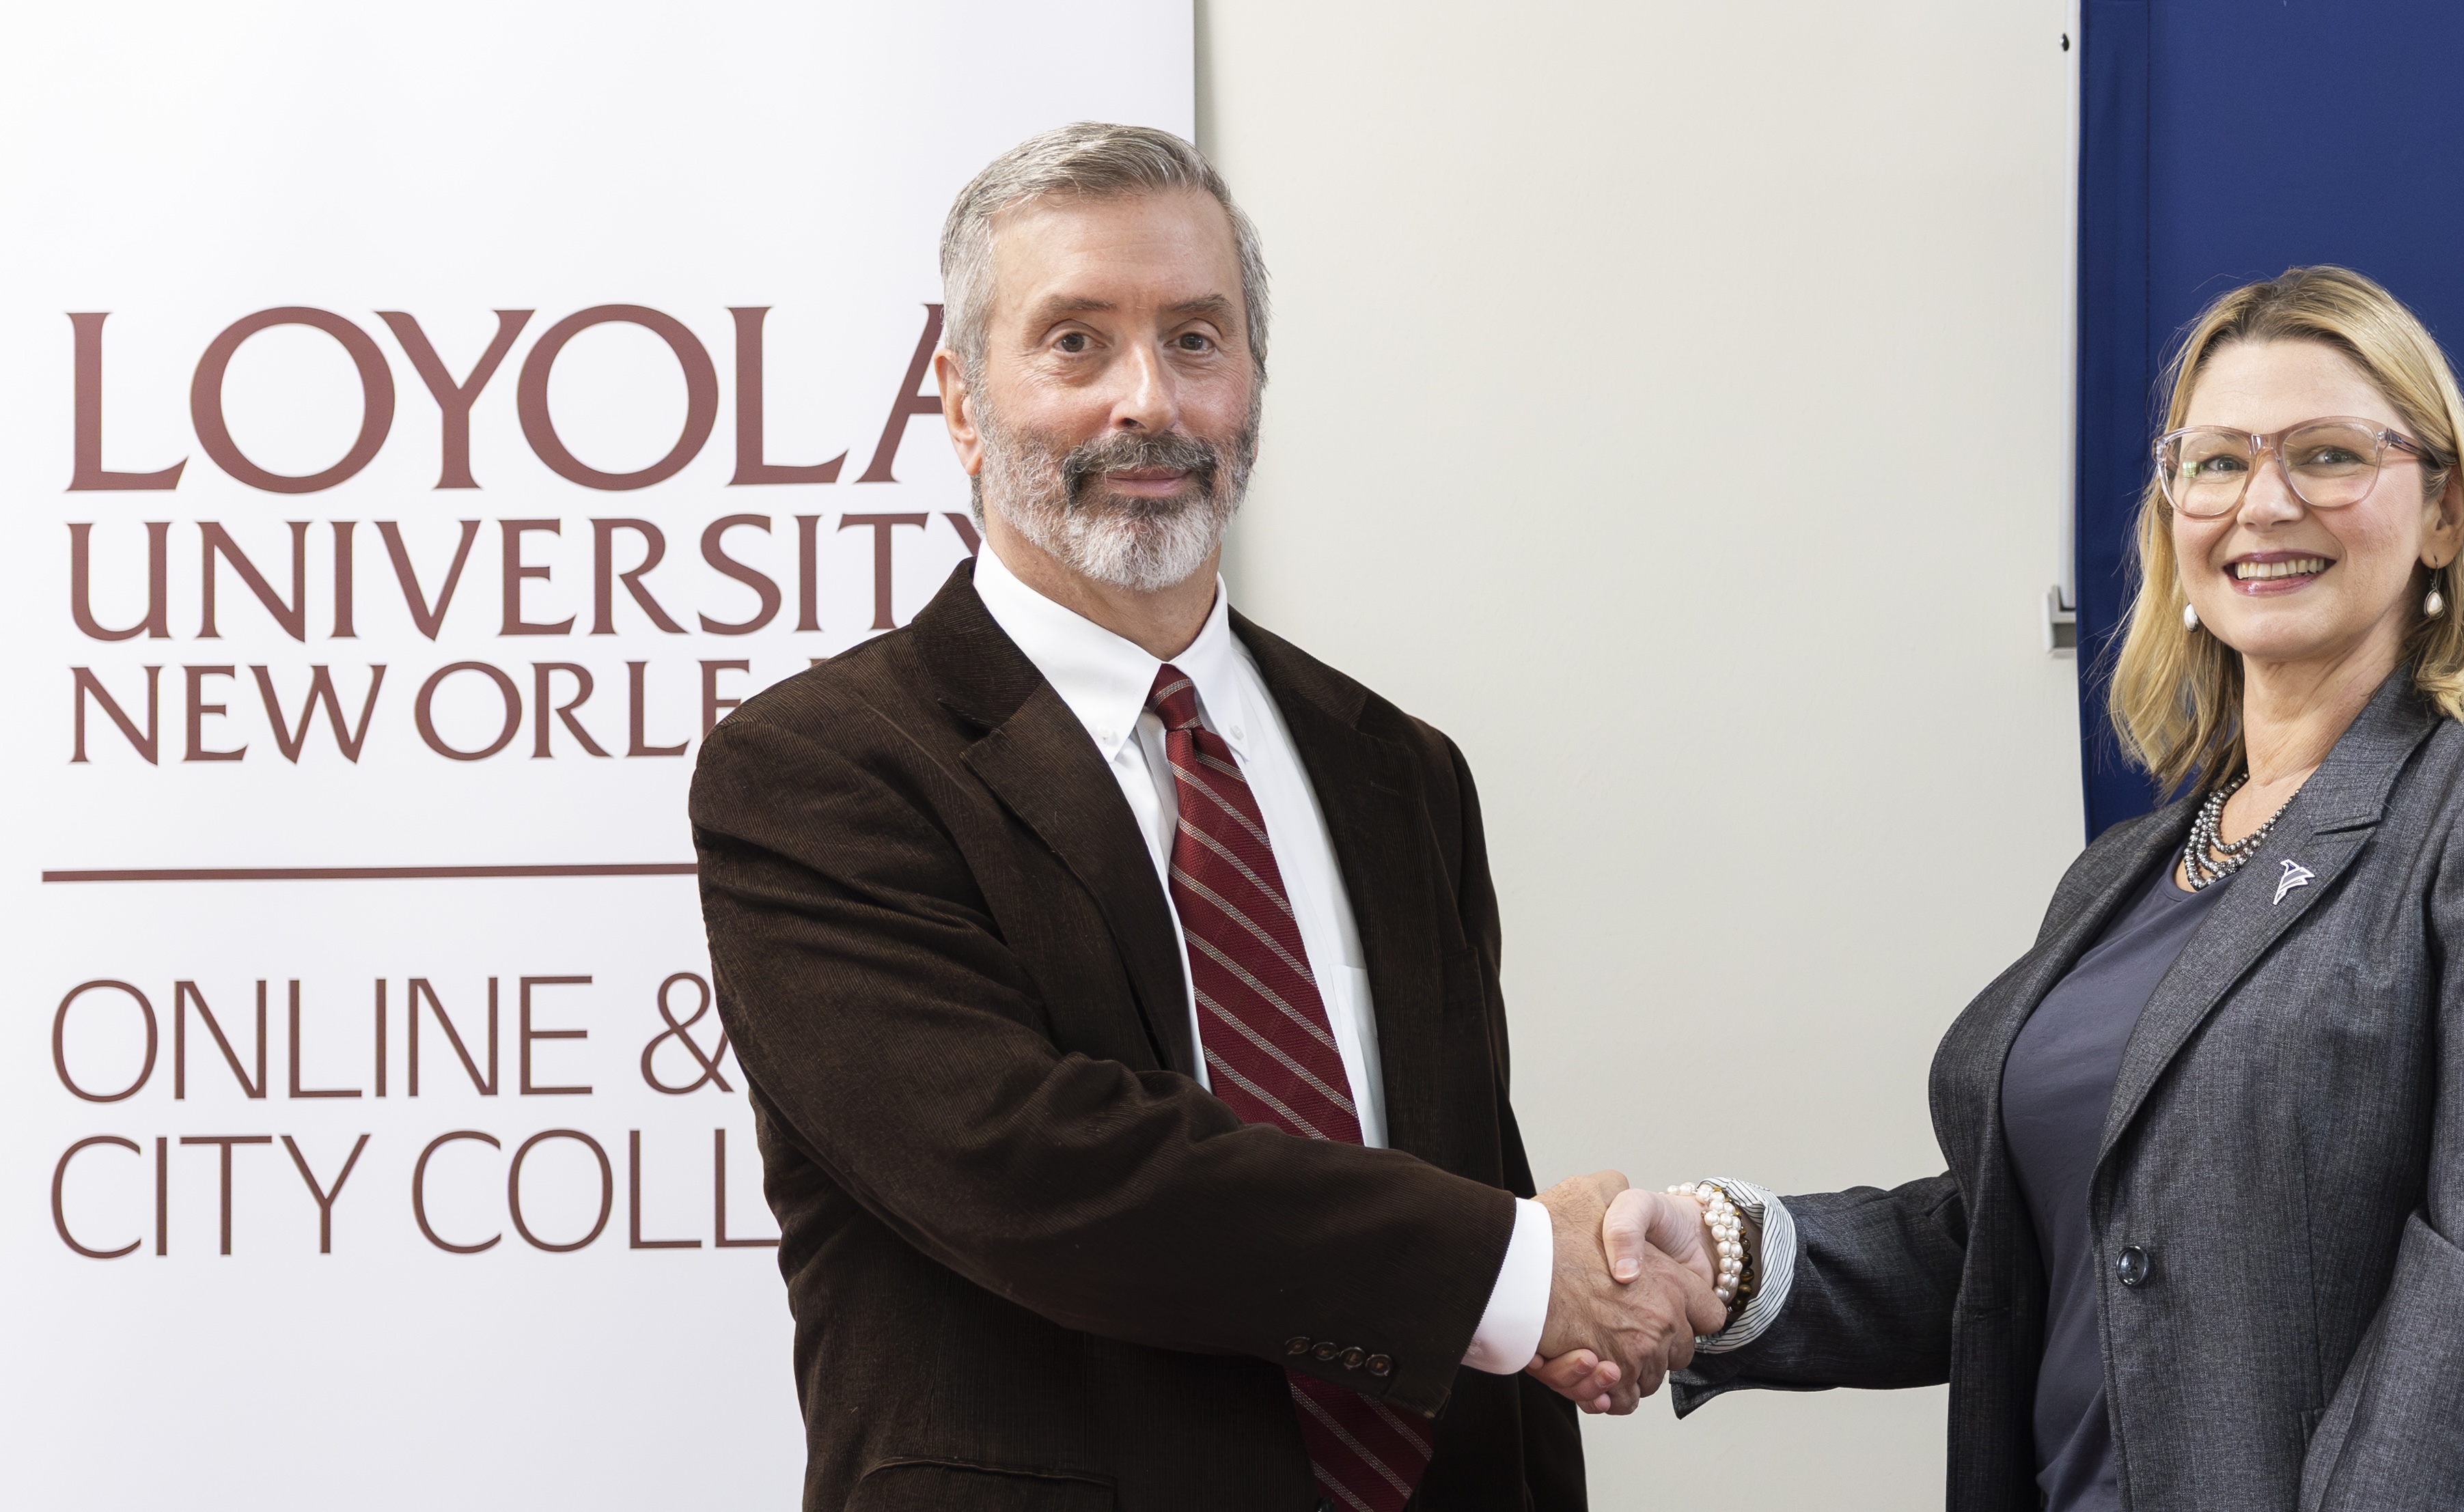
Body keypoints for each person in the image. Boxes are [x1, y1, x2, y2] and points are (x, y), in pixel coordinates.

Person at [689, 122, 1718, 1512]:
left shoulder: (1400, 768)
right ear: (959, 401)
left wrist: (1555, 1304)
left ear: (1253, 384)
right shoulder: (821, 770)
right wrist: (1523, 1271)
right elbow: (1029, 1170)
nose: (1148, 401)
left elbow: (1463, 1168)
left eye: (1194, 339)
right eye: (1075, 343)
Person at [1583, 266, 2464, 1510]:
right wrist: (1728, 1258)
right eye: (2215, 462)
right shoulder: (2125, 869)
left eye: (2328, 453)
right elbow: (2024, 1242)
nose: (2264, 501)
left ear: (2441, 513)